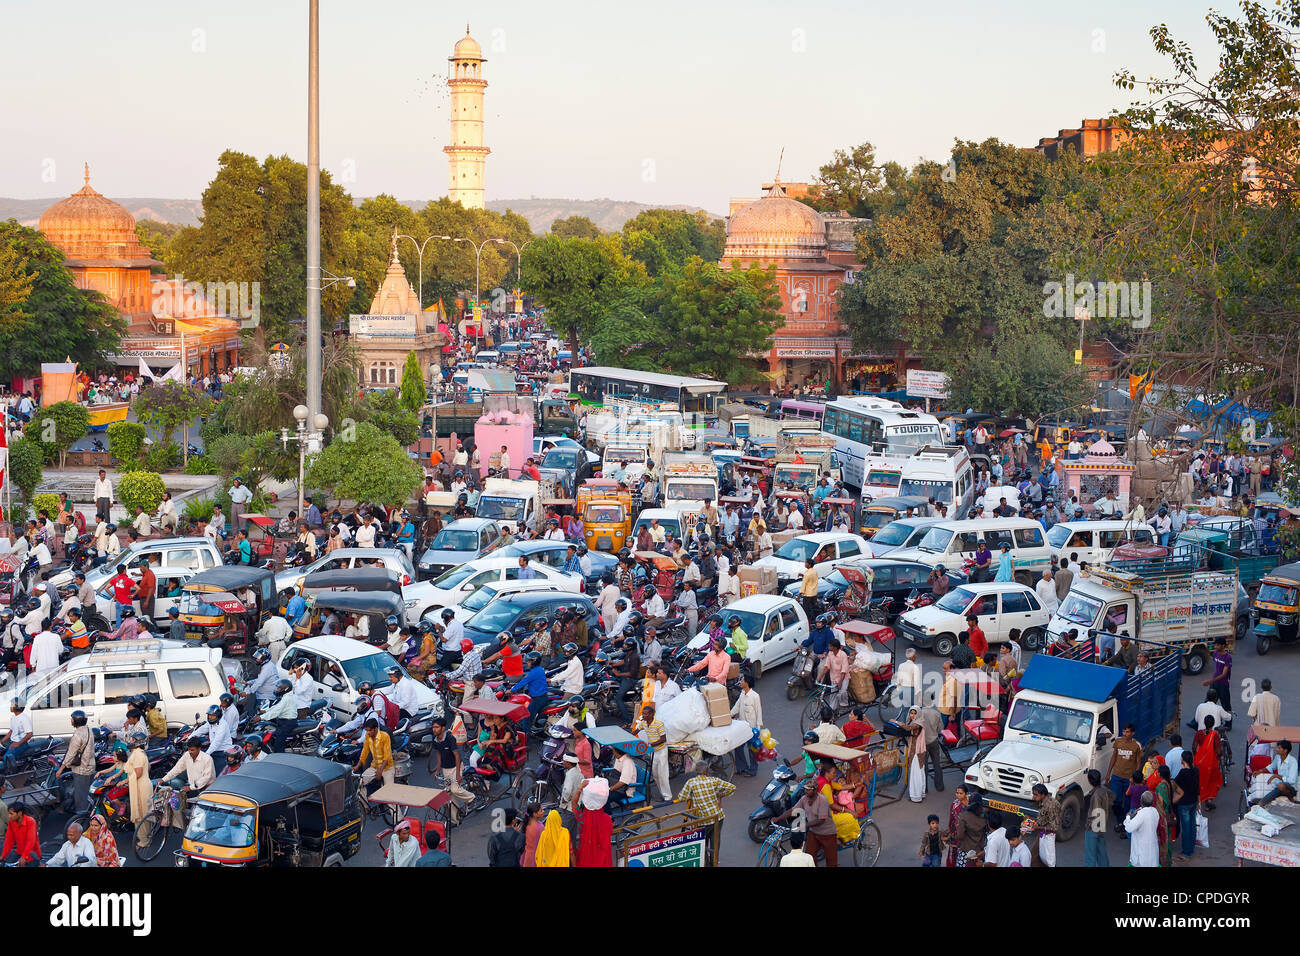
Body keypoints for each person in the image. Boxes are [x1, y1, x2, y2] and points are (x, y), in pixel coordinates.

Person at [429, 716, 475, 823]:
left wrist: (458, 775)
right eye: (433, 727)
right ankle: (456, 820)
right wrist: (438, 770)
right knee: (449, 795)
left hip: (455, 767)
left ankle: (471, 798)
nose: (434, 729)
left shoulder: (450, 738)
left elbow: (457, 756)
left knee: (455, 789)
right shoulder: (435, 739)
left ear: (443, 728)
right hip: (445, 769)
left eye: (437, 727)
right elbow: (439, 755)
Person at [58, 710, 96, 814]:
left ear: (76, 721)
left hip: (81, 770)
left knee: (81, 798)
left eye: (72, 719)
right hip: (91, 767)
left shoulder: (77, 735)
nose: (71, 720)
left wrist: (60, 770)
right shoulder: (89, 730)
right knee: (85, 793)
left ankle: (80, 821)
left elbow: (70, 755)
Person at [572, 777, 614, 867]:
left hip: (586, 857)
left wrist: (580, 788)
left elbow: (574, 804)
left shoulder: (582, 818)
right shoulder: (607, 819)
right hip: (603, 859)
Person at [729, 673, 762, 777]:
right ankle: (741, 768)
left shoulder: (755, 696)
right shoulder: (742, 693)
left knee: (752, 750)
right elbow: (737, 707)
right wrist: (728, 715)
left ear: (747, 683)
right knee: (738, 747)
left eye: (742, 680)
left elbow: (759, 713)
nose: (741, 682)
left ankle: (752, 770)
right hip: (742, 727)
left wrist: (758, 729)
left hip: (752, 729)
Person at [1249, 739, 1298, 807]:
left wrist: (1277, 776)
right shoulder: (1278, 757)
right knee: (1262, 802)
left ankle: (1290, 798)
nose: (1277, 749)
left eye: (1279, 748)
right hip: (1279, 787)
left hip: (1291, 789)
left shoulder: (1293, 762)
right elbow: (1271, 767)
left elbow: (1291, 781)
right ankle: (1261, 804)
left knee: (1280, 785)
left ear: (1285, 750)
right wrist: (1260, 771)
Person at [1023, 783, 1060, 866]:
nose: (1033, 797)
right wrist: (1030, 820)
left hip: (1047, 836)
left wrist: (1037, 827)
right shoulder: (1041, 801)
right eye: (1033, 794)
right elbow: (1042, 819)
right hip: (1042, 833)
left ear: (1043, 794)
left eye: (1036, 795)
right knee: (1036, 858)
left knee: (1045, 860)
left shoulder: (1052, 805)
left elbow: (1054, 828)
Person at [1172, 751, 1199, 861]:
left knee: (1186, 828)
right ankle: (1191, 849)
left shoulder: (1183, 772)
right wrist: (1199, 801)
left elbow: (1174, 783)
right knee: (1192, 826)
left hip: (1184, 804)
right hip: (1193, 801)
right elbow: (1198, 786)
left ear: (1183, 760)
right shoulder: (1195, 770)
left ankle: (1186, 852)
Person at [1123, 791, 1161, 867]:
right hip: (1152, 850)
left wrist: (1128, 817)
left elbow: (1129, 828)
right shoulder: (1155, 811)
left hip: (1142, 853)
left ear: (1140, 801)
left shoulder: (1141, 814)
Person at [953, 792, 989, 867]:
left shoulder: (964, 816)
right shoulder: (984, 816)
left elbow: (960, 835)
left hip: (965, 850)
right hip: (978, 852)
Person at [1084, 769, 1110, 867]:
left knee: (1090, 856)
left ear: (1090, 781)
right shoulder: (1103, 790)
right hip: (1102, 826)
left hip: (1093, 828)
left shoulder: (1095, 795)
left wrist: (1089, 826)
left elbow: (1096, 813)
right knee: (1101, 852)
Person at [1203, 637, 1233, 721]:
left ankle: (1228, 723)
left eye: (1218, 645)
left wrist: (1210, 681)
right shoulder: (1216, 653)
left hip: (1223, 684)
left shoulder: (1228, 657)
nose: (1215, 647)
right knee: (1207, 702)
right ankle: (1196, 722)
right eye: (1215, 645)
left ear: (1223, 646)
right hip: (1214, 682)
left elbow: (1224, 674)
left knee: (1226, 705)